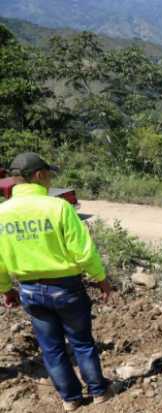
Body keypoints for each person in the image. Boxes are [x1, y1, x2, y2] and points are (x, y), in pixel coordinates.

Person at [0, 152, 113, 412]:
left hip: (29, 290)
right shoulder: (58, 207)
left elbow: (0, 260)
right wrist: (101, 279)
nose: (50, 179)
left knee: (51, 349)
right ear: (38, 175)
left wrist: (6, 289)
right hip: (66, 288)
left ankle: (71, 400)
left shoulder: (2, 214)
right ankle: (99, 393)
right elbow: (83, 251)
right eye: (48, 174)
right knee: (82, 343)